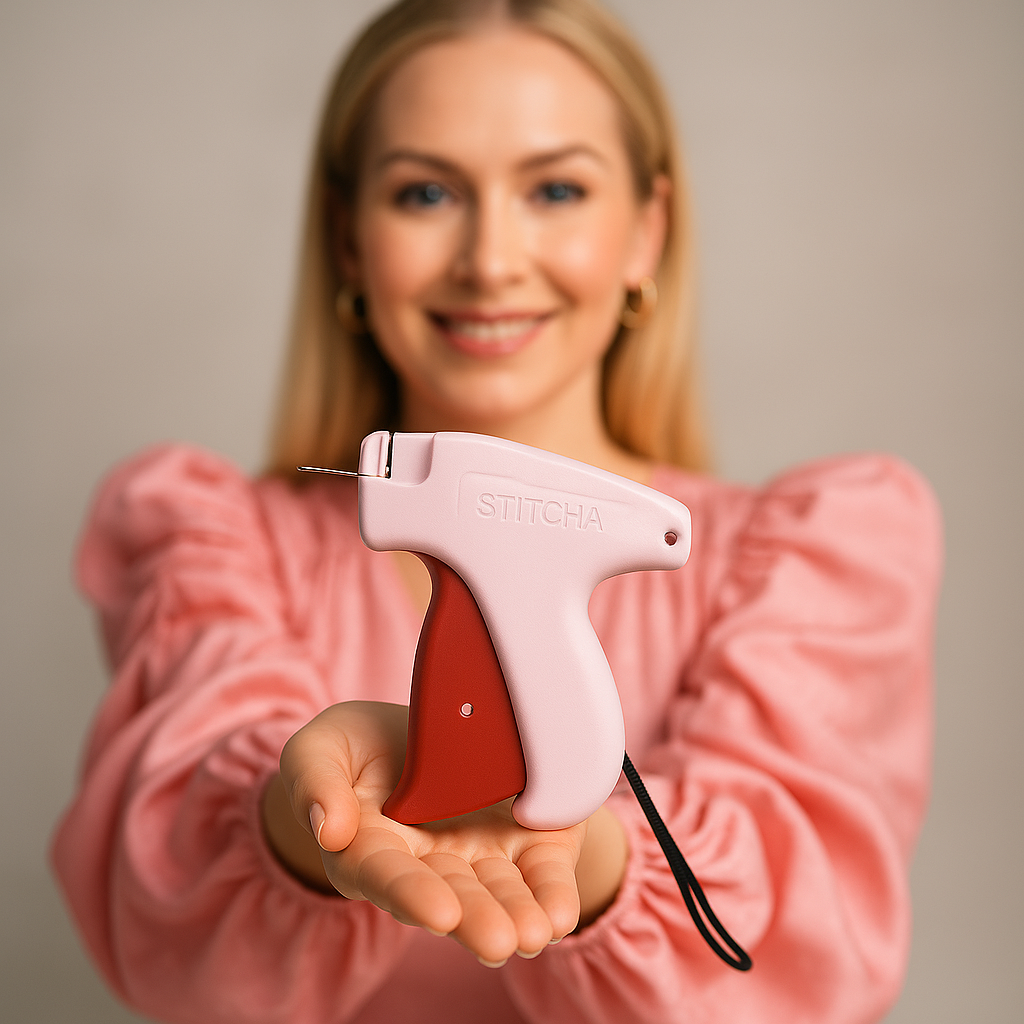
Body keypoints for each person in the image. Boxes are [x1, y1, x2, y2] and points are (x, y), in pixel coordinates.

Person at [52, 0, 942, 1021]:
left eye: (556, 189)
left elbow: (796, 964)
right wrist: (308, 822)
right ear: (348, 239)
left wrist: (589, 853)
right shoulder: (210, 546)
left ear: (646, 233)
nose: (489, 260)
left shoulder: (811, 559)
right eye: (425, 192)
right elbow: (172, 920)